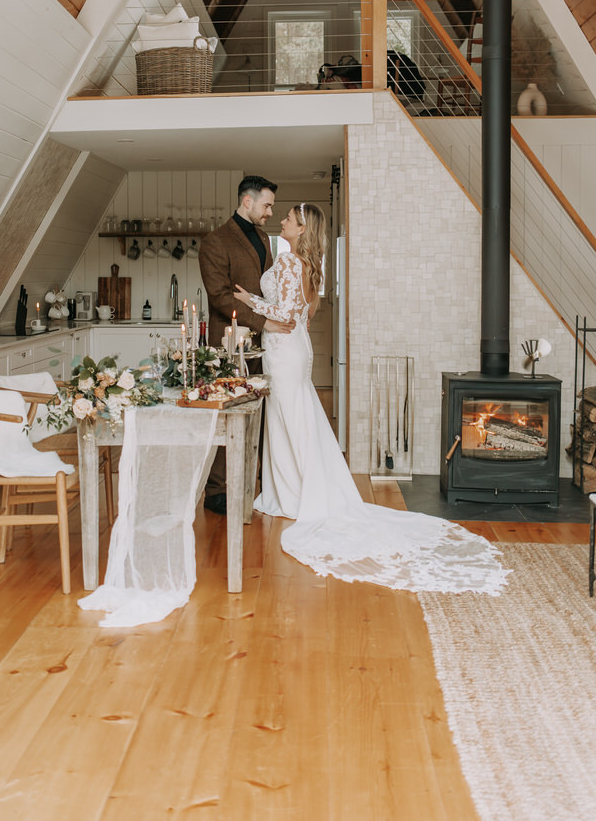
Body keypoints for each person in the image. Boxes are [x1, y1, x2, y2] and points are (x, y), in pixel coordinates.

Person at [233, 203, 509, 595]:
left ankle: (294, 495)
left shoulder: (292, 263)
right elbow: (302, 318)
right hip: (294, 349)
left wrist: (249, 301)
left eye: (290, 218)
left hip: (284, 348)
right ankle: (291, 490)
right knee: (293, 417)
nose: (283, 221)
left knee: (289, 418)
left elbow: (287, 315)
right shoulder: (308, 265)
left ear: (301, 228)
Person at [198, 176, 294, 515]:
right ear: (247, 201)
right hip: (228, 343)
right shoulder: (214, 241)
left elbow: (268, 289)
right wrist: (263, 322)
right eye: (266, 205)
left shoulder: (265, 240)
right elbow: (220, 296)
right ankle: (217, 490)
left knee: (259, 411)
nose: (270, 212)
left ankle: (255, 479)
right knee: (228, 413)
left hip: (264, 343)